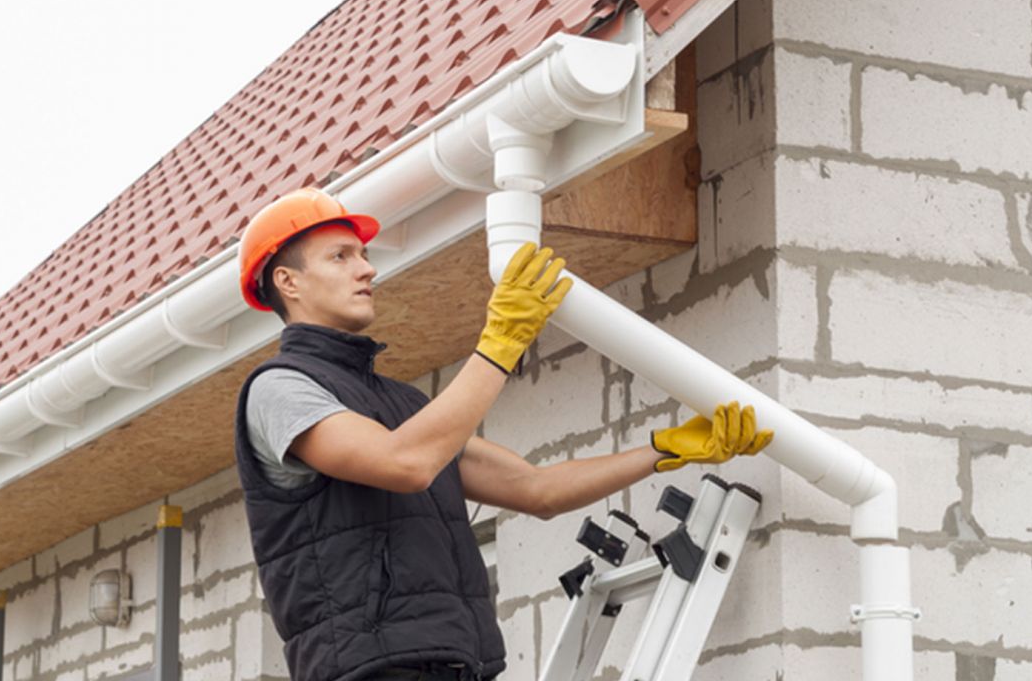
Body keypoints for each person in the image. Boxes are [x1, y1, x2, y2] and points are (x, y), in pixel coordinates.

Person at [232, 187, 772, 681]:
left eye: (364, 255)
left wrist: (664, 449)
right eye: (341, 256)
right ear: (288, 281)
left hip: (456, 665)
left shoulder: (404, 405)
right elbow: (406, 465)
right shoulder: (280, 390)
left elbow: (536, 491)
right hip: (371, 669)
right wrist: (501, 343)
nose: (367, 269)